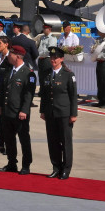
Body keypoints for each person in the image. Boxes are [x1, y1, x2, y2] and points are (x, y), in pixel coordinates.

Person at [0, 44, 35, 174]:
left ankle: (26, 165)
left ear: (17, 56)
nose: (9, 56)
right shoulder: (9, 70)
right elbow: (2, 91)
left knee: (24, 139)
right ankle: (11, 162)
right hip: (7, 111)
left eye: (11, 54)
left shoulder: (28, 73)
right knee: (9, 139)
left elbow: (28, 94)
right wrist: (0, 106)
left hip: (19, 113)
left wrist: (24, 110)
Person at [40, 46, 78, 179]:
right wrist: (43, 110)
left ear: (61, 59)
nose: (53, 60)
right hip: (50, 113)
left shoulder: (68, 74)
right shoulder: (46, 73)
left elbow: (73, 96)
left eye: (55, 58)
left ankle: (66, 169)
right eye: (51, 58)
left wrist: (73, 114)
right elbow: (44, 95)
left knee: (65, 142)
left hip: (64, 113)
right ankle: (56, 167)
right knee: (53, 141)